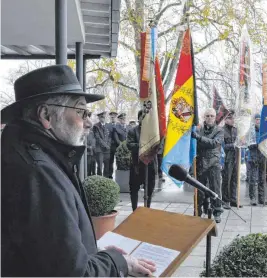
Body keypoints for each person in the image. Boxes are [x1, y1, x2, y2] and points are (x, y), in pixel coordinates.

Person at [1, 65, 155, 276]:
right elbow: (75, 273)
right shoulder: (38, 173)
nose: (89, 122)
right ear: (46, 115)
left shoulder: (28, 155)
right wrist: (119, 262)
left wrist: (96, 253)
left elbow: (50, 251)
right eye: (81, 112)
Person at [193, 108, 224, 223]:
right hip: (201, 162)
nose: (210, 118)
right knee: (199, 188)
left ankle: (217, 211)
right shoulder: (198, 129)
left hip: (213, 163)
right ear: (204, 117)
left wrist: (199, 138)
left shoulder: (219, 130)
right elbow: (195, 144)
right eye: (207, 116)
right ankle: (198, 210)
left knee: (215, 187)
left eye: (212, 116)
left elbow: (214, 143)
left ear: (215, 117)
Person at [127, 110, 157, 211]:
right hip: (137, 165)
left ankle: (147, 208)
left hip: (150, 164)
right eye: (142, 116)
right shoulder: (132, 131)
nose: (144, 119)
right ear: (138, 118)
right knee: (134, 189)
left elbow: (158, 146)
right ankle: (134, 210)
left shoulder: (153, 131)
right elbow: (129, 145)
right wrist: (141, 145)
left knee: (149, 188)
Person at [247, 114, 267, 206]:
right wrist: (258, 144)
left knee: (262, 178)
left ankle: (262, 198)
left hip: (262, 157)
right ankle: (252, 198)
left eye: (260, 119)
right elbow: (249, 144)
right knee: (252, 179)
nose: (258, 121)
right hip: (253, 157)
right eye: (256, 119)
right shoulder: (251, 131)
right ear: (254, 120)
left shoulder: (264, 131)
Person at [221, 112, 240, 209]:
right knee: (226, 180)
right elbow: (221, 146)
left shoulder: (236, 130)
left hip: (235, 158)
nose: (233, 120)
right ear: (226, 119)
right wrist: (232, 145)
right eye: (230, 118)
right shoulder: (221, 130)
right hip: (226, 159)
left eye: (233, 118)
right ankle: (225, 200)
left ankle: (233, 199)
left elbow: (240, 143)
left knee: (234, 180)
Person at [93, 111, 112, 178]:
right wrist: (105, 145)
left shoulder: (108, 126)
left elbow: (110, 137)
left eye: (104, 117)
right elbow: (97, 138)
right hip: (100, 150)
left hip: (107, 150)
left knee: (107, 167)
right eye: (101, 117)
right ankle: (99, 180)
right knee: (100, 166)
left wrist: (108, 145)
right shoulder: (96, 126)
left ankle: (106, 181)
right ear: (99, 118)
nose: (103, 118)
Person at [108, 111, 118, 178]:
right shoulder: (107, 125)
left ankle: (118, 175)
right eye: (111, 117)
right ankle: (110, 175)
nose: (113, 118)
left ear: (116, 117)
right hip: (110, 146)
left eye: (114, 117)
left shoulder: (119, 125)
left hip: (117, 146)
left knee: (119, 161)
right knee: (110, 161)